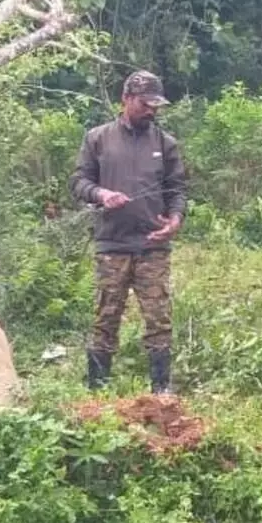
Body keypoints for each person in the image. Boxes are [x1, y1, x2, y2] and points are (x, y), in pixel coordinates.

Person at [70, 70, 188, 394]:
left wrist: (175, 219)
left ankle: (161, 391)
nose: (151, 111)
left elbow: (177, 190)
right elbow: (79, 182)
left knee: (159, 319)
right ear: (126, 99)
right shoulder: (98, 138)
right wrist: (101, 195)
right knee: (105, 317)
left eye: (156, 106)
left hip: (153, 246)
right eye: (145, 104)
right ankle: (97, 391)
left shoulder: (166, 144)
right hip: (112, 246)